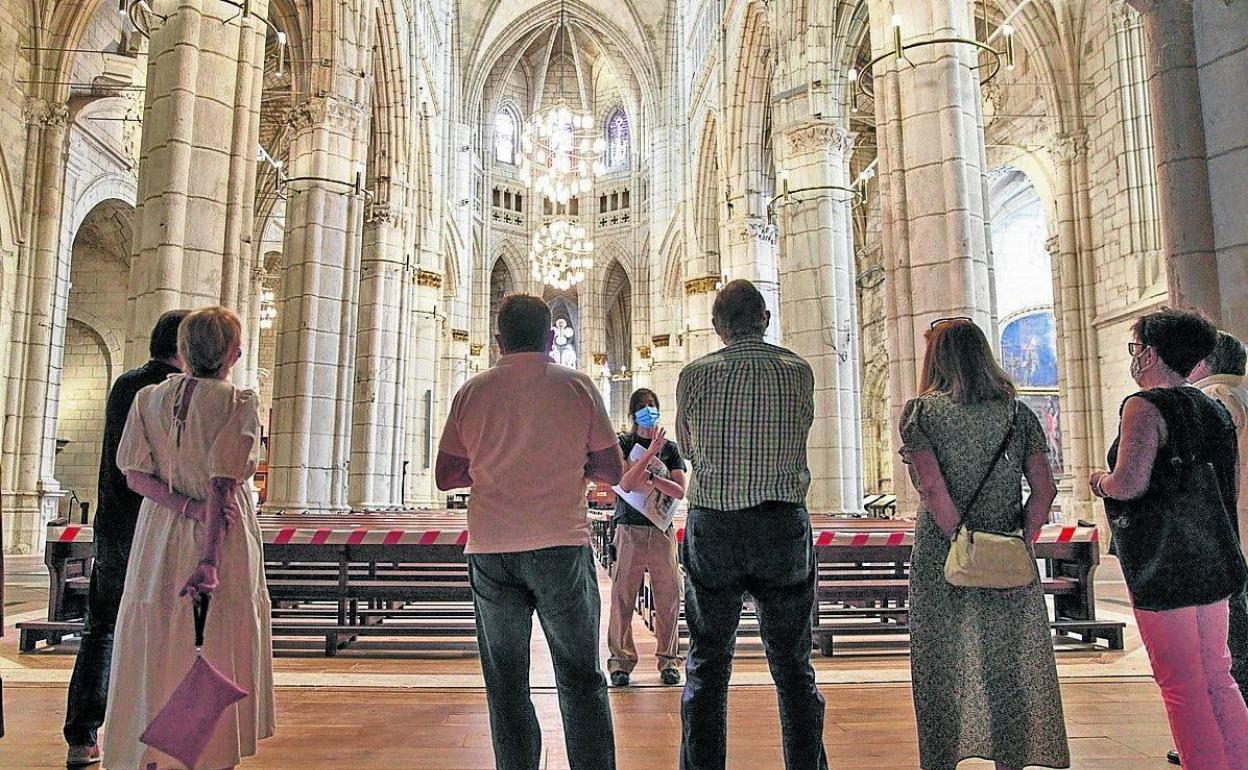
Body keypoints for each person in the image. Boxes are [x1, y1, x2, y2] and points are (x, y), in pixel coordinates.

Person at [435, 294, 622, 770]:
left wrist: (495, 468)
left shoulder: (472, 392)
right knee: (581, 676)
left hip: (493, 549)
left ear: (498, 340)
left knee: (506, 682)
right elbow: (611, 470)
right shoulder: (577, 387)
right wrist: (566, 466)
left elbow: (446, 476)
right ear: (550, 337)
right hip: (561, 543)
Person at [102, 307, 275, 770]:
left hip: (158, 534)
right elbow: (222, 484)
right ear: (233, 354)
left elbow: (136, 476)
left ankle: (154, 751)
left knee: (158, 634)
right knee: (213, 637)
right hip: (221, 533)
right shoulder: (237, 402)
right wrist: (210, 558)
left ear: (182, 350)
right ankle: (206, 754)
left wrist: (183, 506)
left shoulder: (147, 400)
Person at [899, 318, 1070, 770]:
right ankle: (1010, 760)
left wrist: (962, 541)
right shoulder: (1018, 413)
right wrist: (1017, 542)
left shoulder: (922, 413)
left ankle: (941, 760)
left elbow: (933, 491)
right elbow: (1045, 489)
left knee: (940, 659)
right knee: (1006, 661)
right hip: (1006, 552)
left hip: (942, 553)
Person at [675, 279, 828, 770]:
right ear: (765, 318)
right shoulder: (798, 371)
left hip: (715, 526)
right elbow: (802, 430)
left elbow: (691, 450)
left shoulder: (695, 375)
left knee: (707, 666)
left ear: (717, 327)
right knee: (793, 667)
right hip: (782, 525)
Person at [1091, 310, 1248, 770]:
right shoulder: (1213, 407)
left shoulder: (1144, 406)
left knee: (1181, 684)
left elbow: (1131, 483)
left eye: (1136, 348)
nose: (1134, 358)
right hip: (1213, 557)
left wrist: (1101, 481)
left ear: (1151, 353)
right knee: (1219, 676)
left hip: (1166, 563)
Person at [63, 309, 189, 768]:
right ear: (184, 347)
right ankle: (153, 735)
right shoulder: (172, 393)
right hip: (157, 528)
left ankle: (82, 735)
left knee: (101, 629)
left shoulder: (124, 385)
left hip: (113, 525)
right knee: (164, 631)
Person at [607, 387, 687, 687]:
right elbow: (626, 482)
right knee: (623, 596)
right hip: (630, 528)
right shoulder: (624, 442)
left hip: (661, 530)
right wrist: (650, 453)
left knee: (668, 596)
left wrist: (653, 477)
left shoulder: (672, 448)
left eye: (652, 404)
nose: (647, 409)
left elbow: (679, 491)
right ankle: (620, 663)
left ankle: (668, 660)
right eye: (641, 406)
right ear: (632, 412)